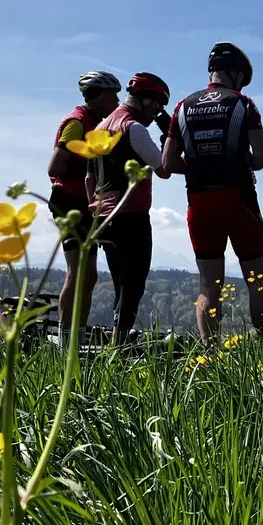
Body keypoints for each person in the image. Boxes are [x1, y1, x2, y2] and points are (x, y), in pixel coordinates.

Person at [162, 42, 263, 344]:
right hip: (239, 200)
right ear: (236, 74)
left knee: (208, 285)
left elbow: (168, 162)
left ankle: (209, 357)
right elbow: (262, 157)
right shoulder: (243, 103)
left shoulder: (182, 107)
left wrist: (199, 164)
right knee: (258, 282)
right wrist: (239, 160)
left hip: (199, 203)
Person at [87, 72, 172, 346]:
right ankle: (118, 348)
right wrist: (169, 135)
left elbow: (90, 177)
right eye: (158, 105)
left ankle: (115, 343)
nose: (158, 111)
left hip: (103, 215)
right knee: (134, 285)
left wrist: (94, 211)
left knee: (120, 283)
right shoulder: (133, 128)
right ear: (146, 100)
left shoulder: (100, 127)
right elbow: (164, 169)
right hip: (131, 214)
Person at [46, 71, 121, 346]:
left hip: (87, 203)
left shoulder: (99, 122)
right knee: (77, 272)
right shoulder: (76, 124)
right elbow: (54, 168)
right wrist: (89, 166)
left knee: (89, 275)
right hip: (68, 201)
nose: (117, 100)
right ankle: (66, 339)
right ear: (99, 95)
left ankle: (76, 334)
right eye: (113, 95)